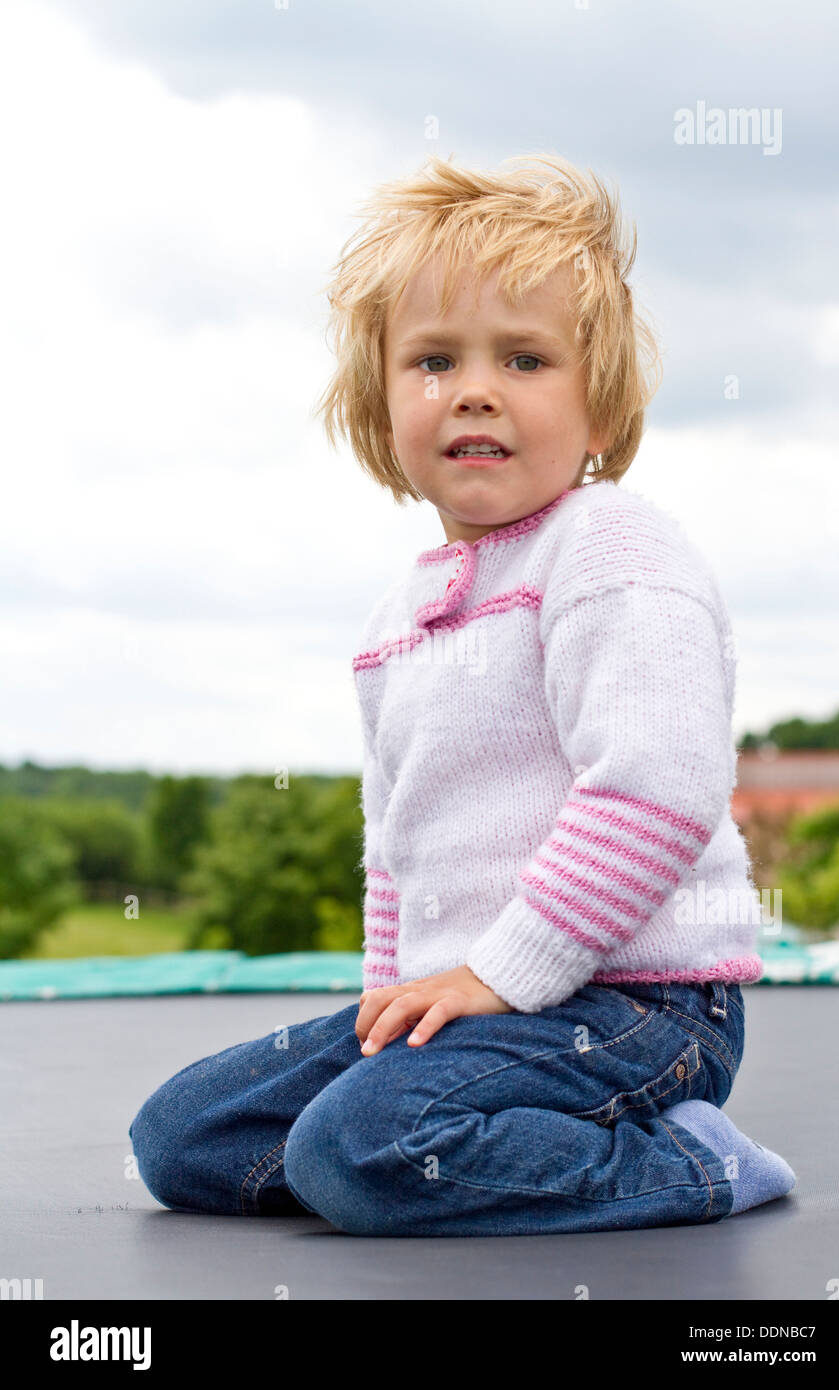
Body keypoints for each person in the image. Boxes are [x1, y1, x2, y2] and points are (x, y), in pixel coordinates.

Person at [129, 153, 796, 1236]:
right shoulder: (399, 617)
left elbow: (658, 791)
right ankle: (430, 1155)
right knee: (183, 1137)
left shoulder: (610, 548)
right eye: (433, 360)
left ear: (597, 410)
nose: (474, 387)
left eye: (524, 358)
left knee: (354, 1148)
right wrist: (391, 1006)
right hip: (479, 1007)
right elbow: (395, 848)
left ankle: (688, 1161)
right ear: (379, 407)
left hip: (638, 1004)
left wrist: (500, 971)